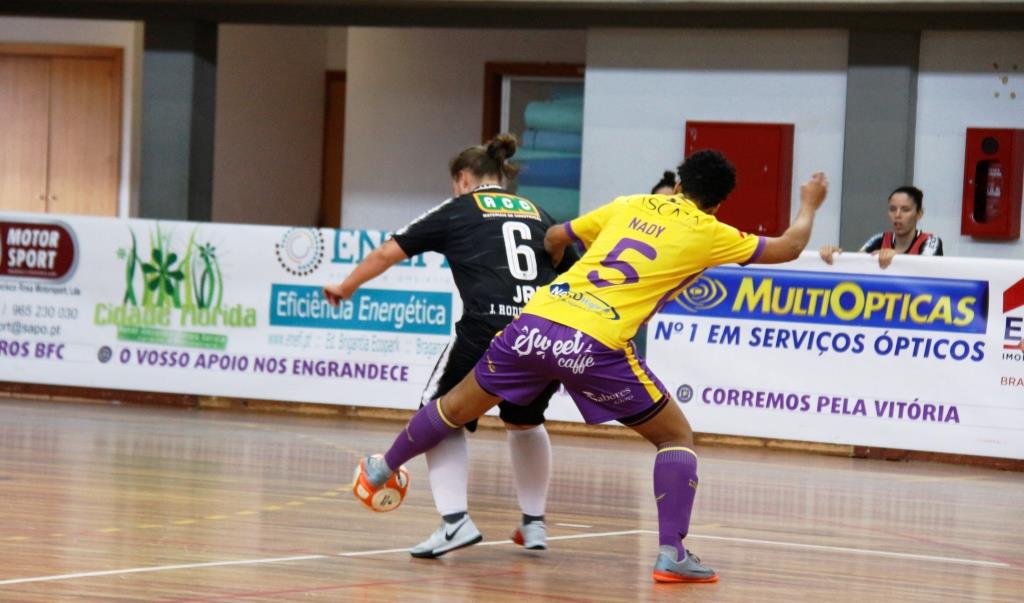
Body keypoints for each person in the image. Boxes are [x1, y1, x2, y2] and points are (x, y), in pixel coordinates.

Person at [347, 150, 829, 583]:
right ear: (718, 204)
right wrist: (809, 202)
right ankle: (671, 554)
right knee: (674, 437)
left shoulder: (631, 204)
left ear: (679, 184)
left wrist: (556, 257)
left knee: (452, 407)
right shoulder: (712, 233)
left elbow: (556, 235)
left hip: (536, 319)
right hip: (595, 340)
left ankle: (380, 467)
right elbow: (788, 247)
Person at [324, 134, 575, 559]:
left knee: (438, 416)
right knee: (525, 421)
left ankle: (454, 522)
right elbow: (574, 271)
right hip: (543, 332)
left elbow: (389, 251)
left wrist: (345, 286)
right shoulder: (539, 213)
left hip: (487, 331)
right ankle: (534, 525)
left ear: (462, 178)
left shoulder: (460, 208)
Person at [820, 186, 942, 269]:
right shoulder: (879, 238)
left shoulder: (931, 241)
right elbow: (856, 263)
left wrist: (896, 256)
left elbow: (925, 266)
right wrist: (835, 256)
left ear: (919, 214)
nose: (897, 215)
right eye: (892, 209)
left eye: (905, 210)